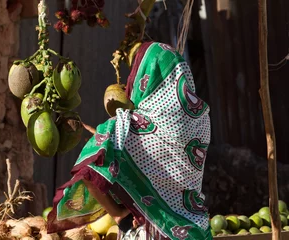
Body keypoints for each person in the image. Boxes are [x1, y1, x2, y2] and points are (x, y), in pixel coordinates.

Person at [46, 41, 212, 240]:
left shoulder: (127, 128)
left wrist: (118, 215)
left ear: (144, 76)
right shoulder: (201, 118)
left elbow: (89, 173)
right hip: (195, 231)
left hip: (151, 233)